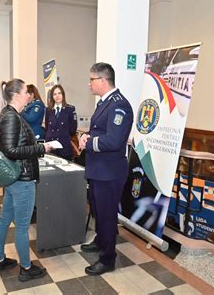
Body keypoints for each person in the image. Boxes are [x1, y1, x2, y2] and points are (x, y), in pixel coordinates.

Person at [0, 78, 52, 282]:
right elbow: (10, 150)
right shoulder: (12, 117)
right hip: (21, 179)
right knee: (22, 226)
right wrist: (42, 148)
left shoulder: (12, 115)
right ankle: (26, 268)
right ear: (16, 95)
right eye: (26, 91)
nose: (29, 95)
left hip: (14, 179)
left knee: (5, 220)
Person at [79, 62, 133, 275]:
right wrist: (87, 137)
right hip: (98, 169)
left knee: (108, 215)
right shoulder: (105, 103)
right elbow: (98, 130)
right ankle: (101, 241)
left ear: (102, 80)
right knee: (98, 211)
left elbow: (114, 140)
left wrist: (89, 142)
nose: (89, 84)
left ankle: (108, 258)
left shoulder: (119, 105)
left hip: (110, 172)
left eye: (91, 80)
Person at [44, 84, 77, 160]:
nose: (57, 96)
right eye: (54, 94)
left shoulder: (70, 109)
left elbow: (73, 129)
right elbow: (47, 126)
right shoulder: (48, 110)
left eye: (59, 93)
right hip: (51, 146)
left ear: (63, 94)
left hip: (64, 146)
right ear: (52, 96)